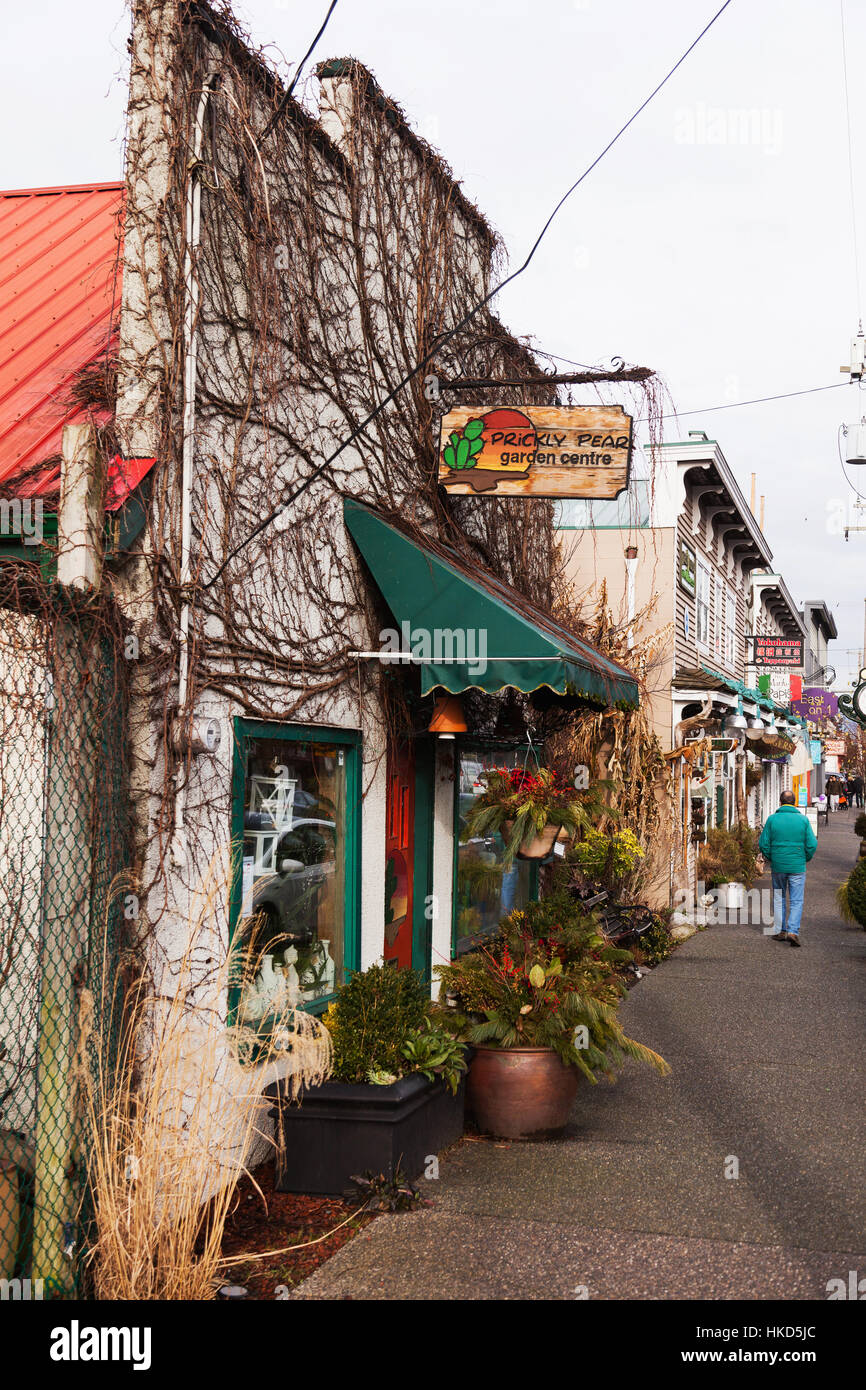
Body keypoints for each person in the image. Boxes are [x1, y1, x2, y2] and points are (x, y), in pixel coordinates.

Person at [759, 791, 818, 947]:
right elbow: (812, 844)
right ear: (794, 802)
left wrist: (772, 857)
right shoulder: (803, 820)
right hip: (797, 865)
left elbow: (763, 843)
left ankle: (781, 930)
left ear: (780, 802)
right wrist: (805, 857)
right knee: (796, 900)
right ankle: (793, 931)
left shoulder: (772, 820)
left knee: (779, 897)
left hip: (778, 865)